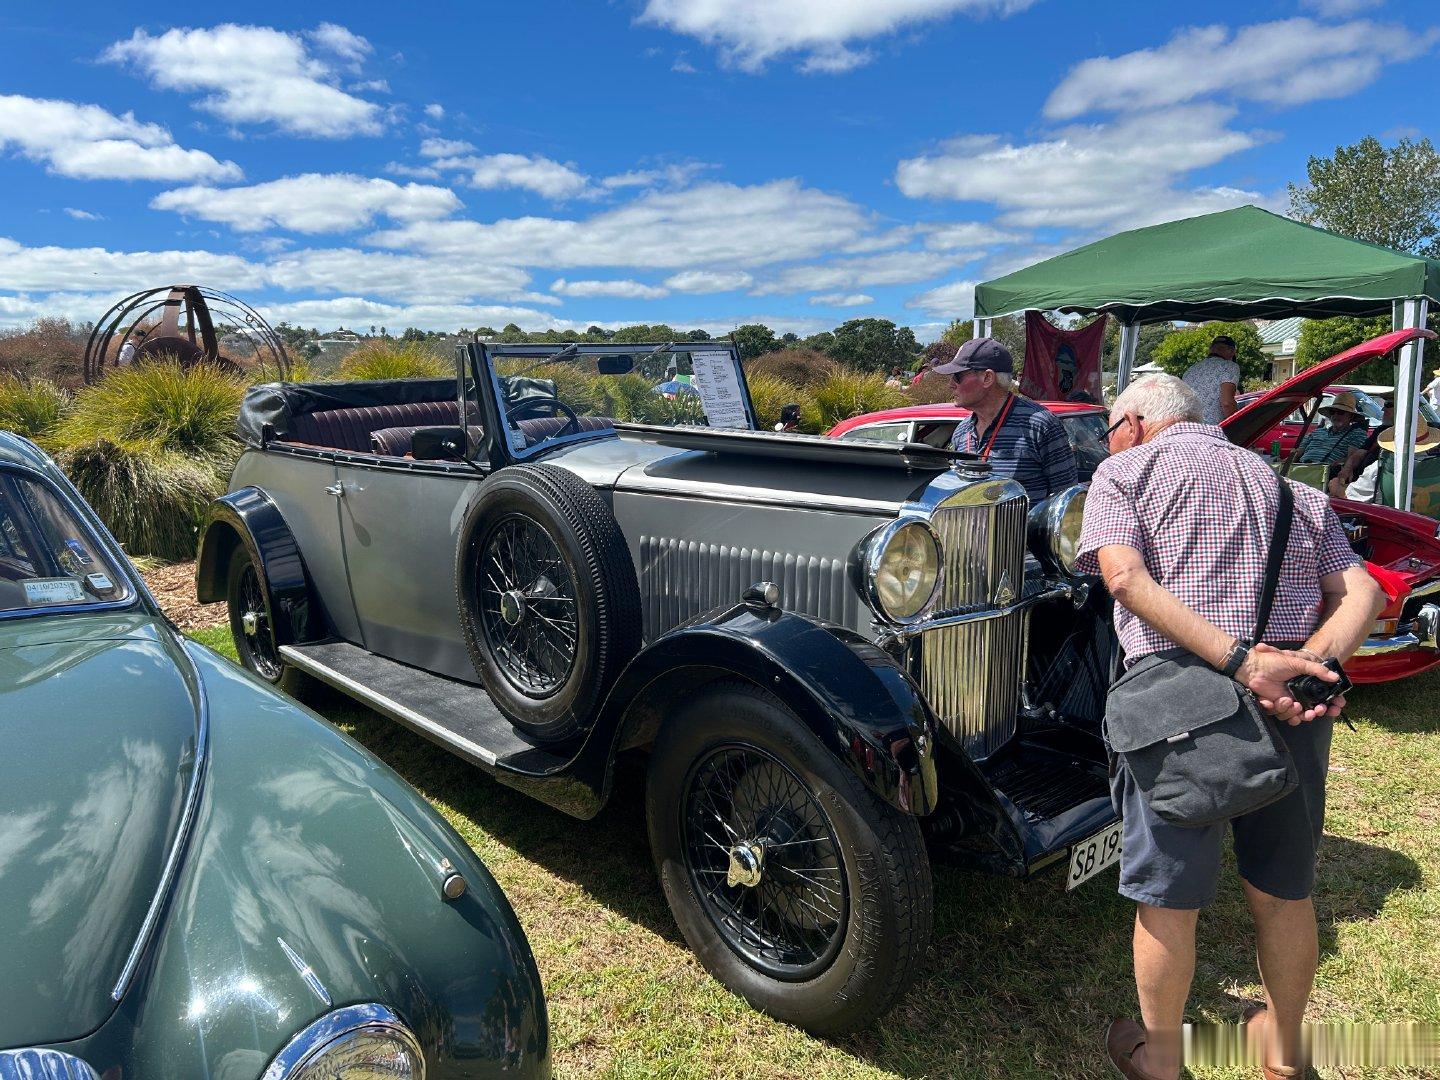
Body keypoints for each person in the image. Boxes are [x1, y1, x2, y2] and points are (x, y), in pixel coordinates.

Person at [1077, 374, 1384, 1080]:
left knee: (1168, 899)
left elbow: (1123, 581)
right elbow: (1361, 590)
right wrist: (1305, 665)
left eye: (1109, 429)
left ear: (1131, 423)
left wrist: (1246, 665)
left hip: (1174, 709)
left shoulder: (1121, 473)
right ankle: (1282, 1054)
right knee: (1284, 892)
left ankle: (1160, 1062)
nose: (1109, 440)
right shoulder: (1292, 490)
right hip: (1290, 710)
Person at [930, 337, 1077, 504]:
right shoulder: (962, 432)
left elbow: (1068, 501)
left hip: (1024, 530)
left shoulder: (1040, 425)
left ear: (987, 378)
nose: (951, 384)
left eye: (957, 376)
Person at [1345, 418, 1440, 502]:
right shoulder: (1435, 469)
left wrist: (1336, 487)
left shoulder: (1380, 468)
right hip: (1431, 522)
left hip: (1391, 521)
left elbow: (1350, 497)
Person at [1295, 392, 1369, 489]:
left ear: (1351, 416)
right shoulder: (1316, 432)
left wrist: (1339, 463)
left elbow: (1351, 459)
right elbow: (1297, 454)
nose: (1335, 415)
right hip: (1299, 471)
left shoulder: (1356, 434)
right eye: (1332, 412)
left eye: (1341, 412)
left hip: (1324, 477)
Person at [1181, 334, 1241, 424]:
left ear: (1210, 349)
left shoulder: (1191, 370)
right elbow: (1227, 403)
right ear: (1232, 351)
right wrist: (1239, 425)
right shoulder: (1229, 366)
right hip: (1213, 430)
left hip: (1189, 428)